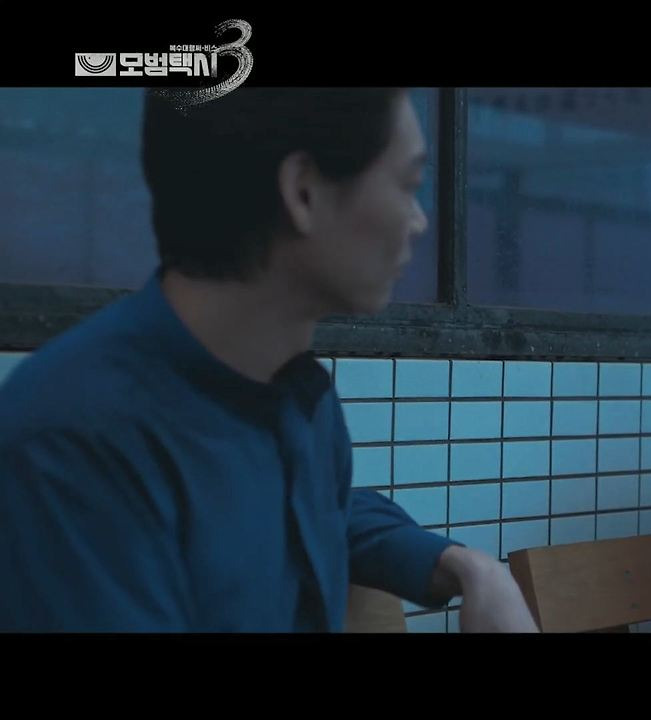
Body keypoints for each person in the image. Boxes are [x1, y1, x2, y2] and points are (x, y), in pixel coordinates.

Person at [0, 88, 538, 632]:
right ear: (303, 191)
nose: (419, 221)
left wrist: (472, 568)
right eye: (407, 184)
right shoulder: (73, 443)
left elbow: (311, 512)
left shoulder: (295, 396)